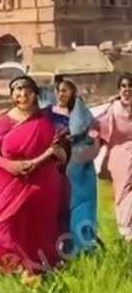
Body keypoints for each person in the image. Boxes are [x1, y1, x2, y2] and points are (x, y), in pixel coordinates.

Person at [0, 75, 70, 276]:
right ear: (12, 95)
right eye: (17, 91)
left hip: (42, 181)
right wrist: (9, 165)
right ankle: (10, 267)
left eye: (26, 91)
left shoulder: (49, 120)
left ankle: (40, 268)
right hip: (9, 181)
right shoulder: (3, 122)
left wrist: (45, 158)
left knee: (39, 225)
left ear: (35, 94)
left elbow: (62, 153)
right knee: (8, 226)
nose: (22, 95)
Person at [52, 76, 102, 253]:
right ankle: (64, 249)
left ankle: (84, 247)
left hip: (81, 167)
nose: (61, 94)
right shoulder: (52, 114)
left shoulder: (82, 113)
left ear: (73, 92)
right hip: (60, 166)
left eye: (65, 90)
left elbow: (93, 134)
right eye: (59, 90)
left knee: (83, 206)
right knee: (63, 206)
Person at [96, 72, 132, 242]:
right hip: (119, 155)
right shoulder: (113, 109)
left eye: (130, 86)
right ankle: (125, 230)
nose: (127, 90)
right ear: (119, 89)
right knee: (123, 191)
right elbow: (99, 128)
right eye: (123, 86)